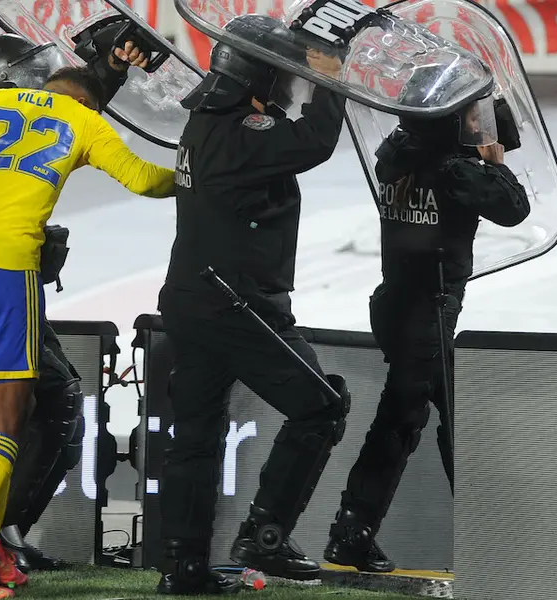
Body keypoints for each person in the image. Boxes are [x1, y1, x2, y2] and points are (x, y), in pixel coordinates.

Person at [0, 65, 175, 599]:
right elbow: (143, 178)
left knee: (12, 410)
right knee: (8, 422)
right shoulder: (82, 121)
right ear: (89, 104)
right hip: (4, 273)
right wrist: (198, 176)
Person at [154, 18, 350, 593]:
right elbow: (313, 141)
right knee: (322, 407)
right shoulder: (244, 129)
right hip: (235, 303)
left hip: (191, 298)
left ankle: (183, 567)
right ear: (262, 76)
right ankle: (265, 536)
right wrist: (331, 81)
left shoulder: (204, 122)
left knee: (194, 434)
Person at [324, 93, 530, 572]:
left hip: (395, 305)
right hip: (429, 312)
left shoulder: (400, 157)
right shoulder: (456, 170)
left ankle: (356, 533)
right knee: (401, 423)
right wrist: (495, 162)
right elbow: (514, 207)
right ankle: (353, 532)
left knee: (435, 419)